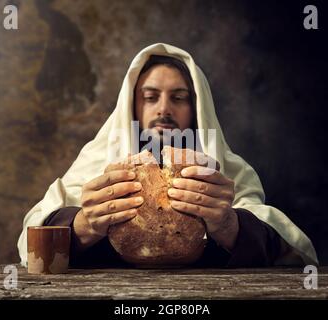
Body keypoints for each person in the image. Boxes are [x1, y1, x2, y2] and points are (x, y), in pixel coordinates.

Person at [18, 43, 318, 268]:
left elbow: (290, 251)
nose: (163, 109)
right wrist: (83, 225)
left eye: (178, 98)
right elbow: (33, 242)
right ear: (132, 107)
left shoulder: (230, 172)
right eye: (150, 98)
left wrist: (229, 226)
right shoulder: (96, 163)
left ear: (198, 108)